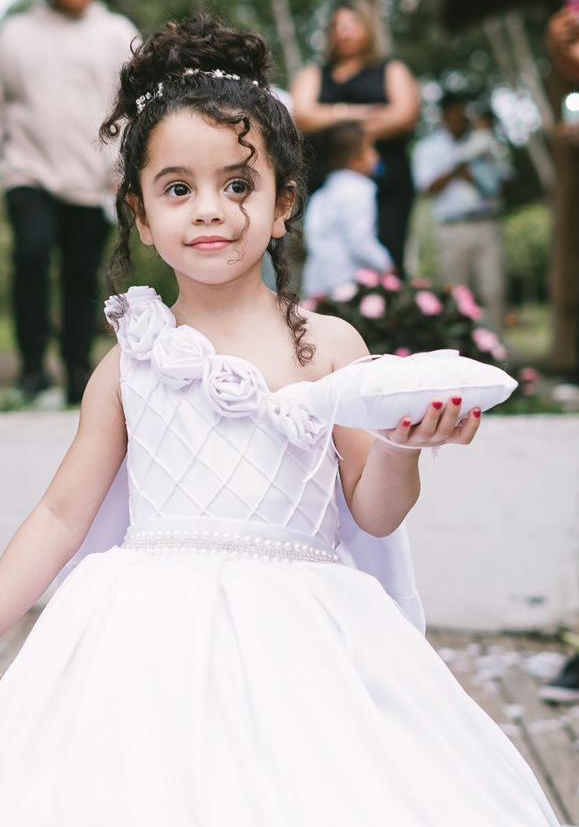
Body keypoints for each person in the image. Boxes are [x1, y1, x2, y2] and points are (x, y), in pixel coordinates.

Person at [0, 14, 562, 826]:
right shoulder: (130, 362)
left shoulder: (329, 345)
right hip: (147, 638)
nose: (211, 210)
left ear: (282, 204)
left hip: (304, 637)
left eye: (238, 184)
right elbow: (59, 515)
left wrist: (403, 447)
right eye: (178, 188)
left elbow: (371, 507)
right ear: (140, 210)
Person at [0, 0, 138, 404]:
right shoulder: (15, 35)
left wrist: (123, 169)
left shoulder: (117, 34)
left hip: (94, 180)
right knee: (32, 251)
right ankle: (32, 369)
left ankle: (77, 370)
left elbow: (133, 107)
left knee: (81, 274)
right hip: (28, 170)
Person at [291, 0, 420, 276]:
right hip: (324, 178)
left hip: (386, 180)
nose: (346, 32)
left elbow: (404, 115)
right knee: (330, 254)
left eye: (353, 24)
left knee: (387, 255)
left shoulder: (390, 70)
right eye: (339, 26)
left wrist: (331, 121)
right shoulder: (316, 73)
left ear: (368, 29)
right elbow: (302, 115)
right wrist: (362, 113)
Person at [413, 92, 511, 333]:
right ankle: (461, 347)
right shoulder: (429, 147)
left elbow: (506, 179)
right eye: (453, 115)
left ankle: (496, 347)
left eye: (462, 114)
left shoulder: (484, 141)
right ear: (444, 117)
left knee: (494, 289)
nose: (459, 119)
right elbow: (427, 188)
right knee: (455, 291)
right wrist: (458, 168)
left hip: (486, 222)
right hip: (452, 227)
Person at [302, 121, 394, 298]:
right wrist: (385, 264)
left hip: (317, 283)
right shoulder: (360, 189)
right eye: (371, 149)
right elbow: (360, 240)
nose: (376, 156)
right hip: (348, 285)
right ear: (355, 160)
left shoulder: (321, 195)